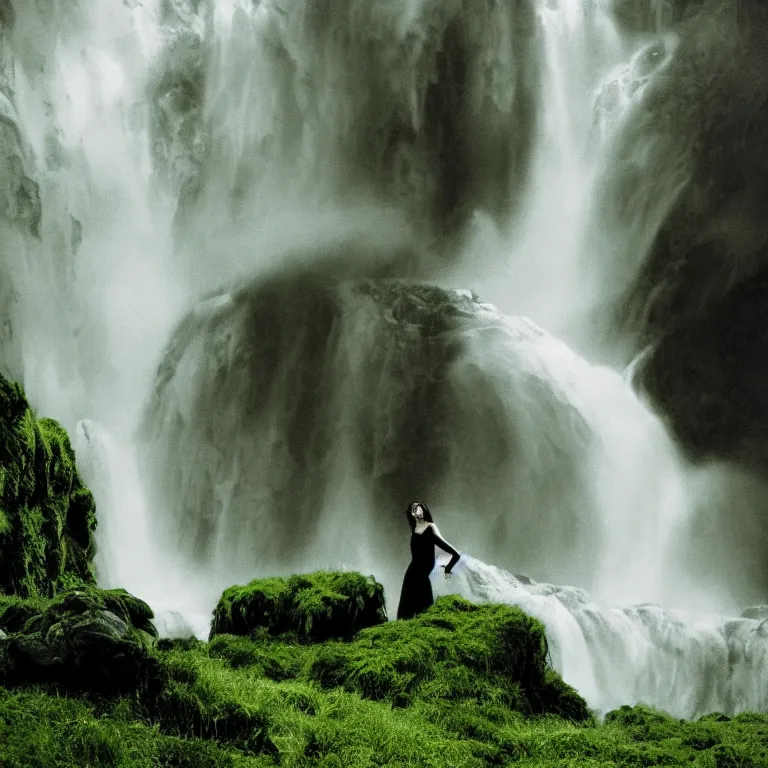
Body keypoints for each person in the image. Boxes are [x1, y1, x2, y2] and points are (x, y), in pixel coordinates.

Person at [396, 500, 461, 620]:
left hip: (421, 573)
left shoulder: (430, 527)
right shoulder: (415, 529)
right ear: (411, 514)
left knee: (424, 608)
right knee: (407, 609)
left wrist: (448, 568)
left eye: (419, 507)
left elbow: (455, 554)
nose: (417, 510)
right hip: (412, 572)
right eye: (413, 508)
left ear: (424, 509)